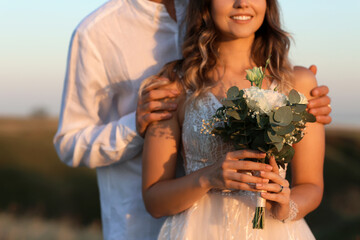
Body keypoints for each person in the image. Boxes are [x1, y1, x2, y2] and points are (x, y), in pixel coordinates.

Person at [53, 0, 331, 239]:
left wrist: (287, 204)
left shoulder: (294, 81)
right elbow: (69, 141)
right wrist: (136, 124)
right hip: (146, 224)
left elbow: (310, 184)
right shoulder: (99, 32)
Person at [141, 0, 325, 239]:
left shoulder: (299, 82)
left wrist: (285, 206)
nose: (242, 3)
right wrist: (207, 177)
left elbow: (311, 185)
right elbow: (154, 201)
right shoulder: (174, 84)